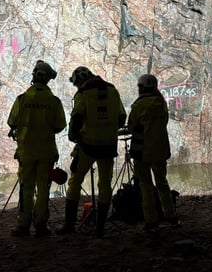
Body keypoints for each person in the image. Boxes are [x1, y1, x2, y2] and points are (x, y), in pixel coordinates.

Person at [57, 66, 126, 237]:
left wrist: (74, 136)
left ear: (79, 81)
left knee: (74, 182)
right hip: (108, 147)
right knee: (105, 185)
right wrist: (108, 131)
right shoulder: (112, 91)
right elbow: (121, 117)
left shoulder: (83, 94)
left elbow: (77, 117)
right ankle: (100, 229)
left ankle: (69, 225)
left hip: (87, 146)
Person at [7, 60, 68, 237]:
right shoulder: (54, 102)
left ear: (34, 76)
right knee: (43, 189)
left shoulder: (22, 99)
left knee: (26, 187)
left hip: (26, 151)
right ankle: (41, 225)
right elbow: (59, 126)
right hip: (46, 152)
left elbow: (12, 122)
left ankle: (23, 226)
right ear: (48, 80)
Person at [127, 74, 178, 232]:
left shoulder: (139, 105)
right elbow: (165, 122)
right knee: (162, 183)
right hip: (160, 150)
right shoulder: (161, 103)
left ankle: (151, 220)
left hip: (142, 152)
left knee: (145, 186)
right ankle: (171, 216)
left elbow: (130, 127)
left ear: (141, 87)